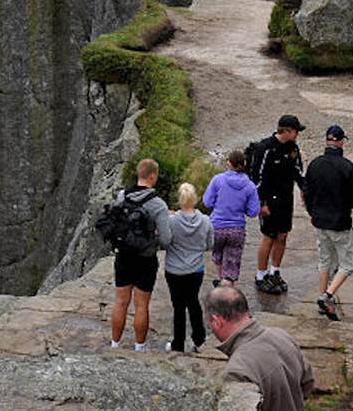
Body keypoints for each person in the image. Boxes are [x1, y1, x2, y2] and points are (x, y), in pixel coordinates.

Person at [206, 287, 315, 411]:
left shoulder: (236, 372)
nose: (211, 328)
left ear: (216, 321)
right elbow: (308, 383)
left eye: (209, 324)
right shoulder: (282, 336)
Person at [304, 126, 353, 321]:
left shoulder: (314, 164)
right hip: (339, 222)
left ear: (326, 141)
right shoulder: (347, 166)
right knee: (349, 262)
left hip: (319, 221)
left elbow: (307, 192)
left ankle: (322, 296)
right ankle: (327, 296)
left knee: (324, 260)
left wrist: (311, 212)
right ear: (341, 142)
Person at [107, 159, 172, 351]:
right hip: (145, 259)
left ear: (139, 174)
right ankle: (139, 347)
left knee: (120, 302)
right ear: (152, 176)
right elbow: (167, 240)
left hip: (124, 255)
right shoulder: (158, 205)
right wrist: (153, 240)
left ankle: (115, 344)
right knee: (141, 304)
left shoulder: (121, 196)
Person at [248, 115, 308, 295]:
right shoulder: (265, 148)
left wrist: (305, 191)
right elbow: (255, 178)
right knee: (269, 236)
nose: (298, 134)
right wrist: (261, 203)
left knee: (282, 235)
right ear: (286, 131)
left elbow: (298, 172)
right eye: (296, 131)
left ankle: (275, 271)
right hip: (269, 200)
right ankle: (260, 275)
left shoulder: (293, 148)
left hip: (286, 199)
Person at [164, 182, 213, 353]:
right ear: (195, 199)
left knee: (178, 306)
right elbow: (209, 245)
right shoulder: (206, 221)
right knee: (193, 302)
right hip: (195, 269)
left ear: (179, 199)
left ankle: (178, 343)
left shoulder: (171, 221)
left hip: (174, 269)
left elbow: (165, 242)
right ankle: (199, 339)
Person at [203, 150, 260, 288]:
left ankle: (221, 281)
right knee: (232, 263)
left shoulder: (217, 180)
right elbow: (254, 212)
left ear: (229, 163)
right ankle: (227, 287)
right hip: (237, 229)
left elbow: (207, 202)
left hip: (217, 227)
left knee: (218, 256)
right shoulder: (250, 186)